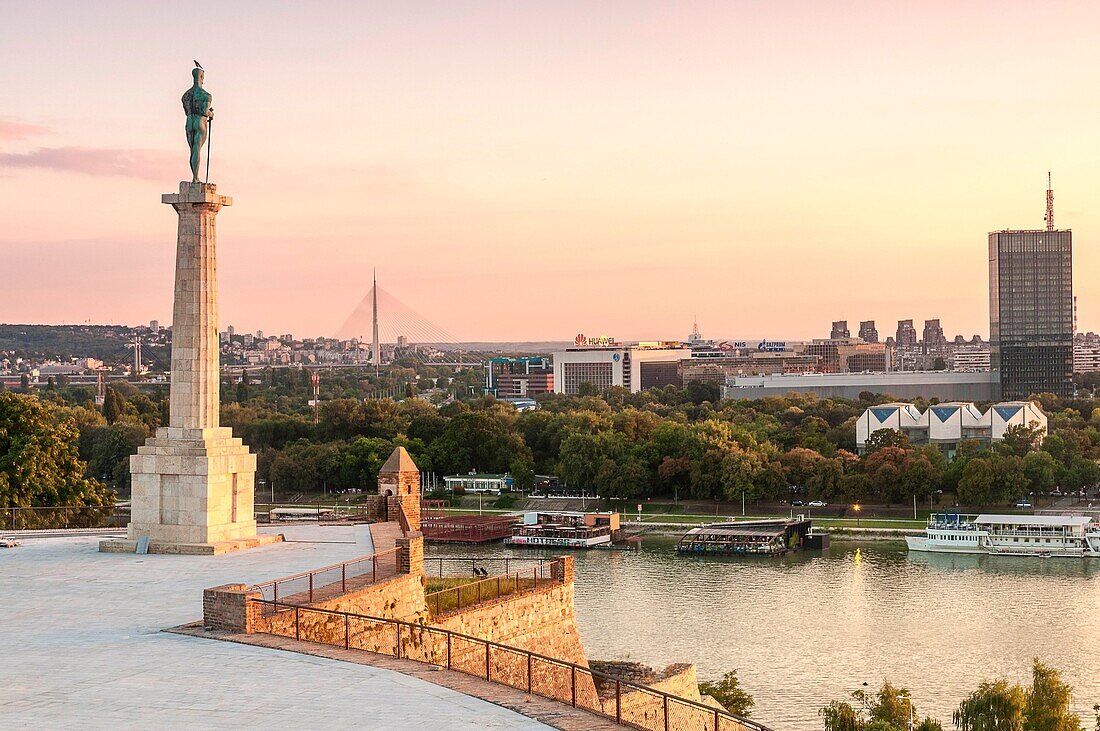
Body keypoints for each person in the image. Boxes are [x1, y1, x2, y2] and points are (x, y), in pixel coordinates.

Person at [181, 67, 214, 183]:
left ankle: (195, 177)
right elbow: (205, 112)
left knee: (192, 150)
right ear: (201, 77)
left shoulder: (185, 95)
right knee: (197, 150)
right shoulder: (206, 95)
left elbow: (186, 111)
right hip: (200, 121)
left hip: (189, 120)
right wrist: (211, 113)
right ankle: (195, 178)